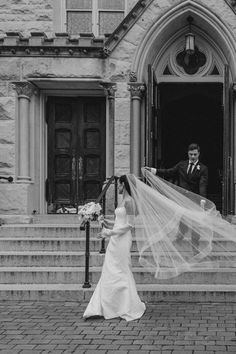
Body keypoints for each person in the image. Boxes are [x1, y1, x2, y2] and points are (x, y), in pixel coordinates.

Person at [83, 175, 146, 322]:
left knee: (121, 270)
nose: (117, 187)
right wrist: (104, 220)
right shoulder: (122, 201)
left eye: (119, 185)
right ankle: (105, 306)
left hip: (122, 240)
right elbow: (119, 222)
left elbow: (129, 225)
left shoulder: (130, 202)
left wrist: (109, 232)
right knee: (110, 269)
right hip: (115, 238)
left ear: (124, 185)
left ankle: (125, 305)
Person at [145, 143, 208, 253]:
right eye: (191, 154)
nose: (193, 157)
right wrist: (153, 170)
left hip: (194, 201)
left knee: (195, 224)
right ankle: (178, 241)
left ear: (199, 154)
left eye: (195, 154)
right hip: (181, 199)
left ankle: (195, 248)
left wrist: (202, 201)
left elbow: (203, 185)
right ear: (188, 154)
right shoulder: (181, 165)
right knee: (183, 221)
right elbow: (169, 172)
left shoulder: (203, 168)